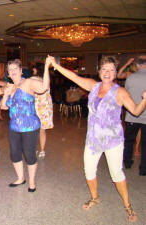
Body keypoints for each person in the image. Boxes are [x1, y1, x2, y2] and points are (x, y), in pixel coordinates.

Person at [47, 55, 146, 222]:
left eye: (111, 70)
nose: (107, 72)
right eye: (104, 69)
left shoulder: (120, 92)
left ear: (116, 73)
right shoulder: (93, 86)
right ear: (99, 71)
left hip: (113, 141)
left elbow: (136, 111)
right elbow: (73, 76)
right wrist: (54, 64)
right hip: (93, 140)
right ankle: (95, 197)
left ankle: (128, 205)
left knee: (116, 174)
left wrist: (144, 100)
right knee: (89, 170)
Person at [0, 58, 50, 193]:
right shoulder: (10, 87)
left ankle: (32, 181)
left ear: (21, 71)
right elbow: (4, 107)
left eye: (16, 69)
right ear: (8, 73)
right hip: (14, 127)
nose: (13, 71)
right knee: (15, 154)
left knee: (29, 154)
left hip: (30, 126)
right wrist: (5, 94)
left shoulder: (28, 83)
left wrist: (46, 67)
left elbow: (44, 87)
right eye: (10, 70)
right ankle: (20, 178)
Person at [123, 56, 146, 175]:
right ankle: (143, 169)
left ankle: (127, 162)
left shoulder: (131, 77)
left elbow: (126, 94)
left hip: (132, 115)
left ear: (137, 65)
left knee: (129, 141)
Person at [32, 63, 54, 158]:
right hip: (45, 107)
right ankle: (42, 150)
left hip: (36, 105)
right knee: (42, 130)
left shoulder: (33, 79)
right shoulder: (46, 79)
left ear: (36, 70)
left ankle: (34, 149)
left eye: (33, 69)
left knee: (33, 130)